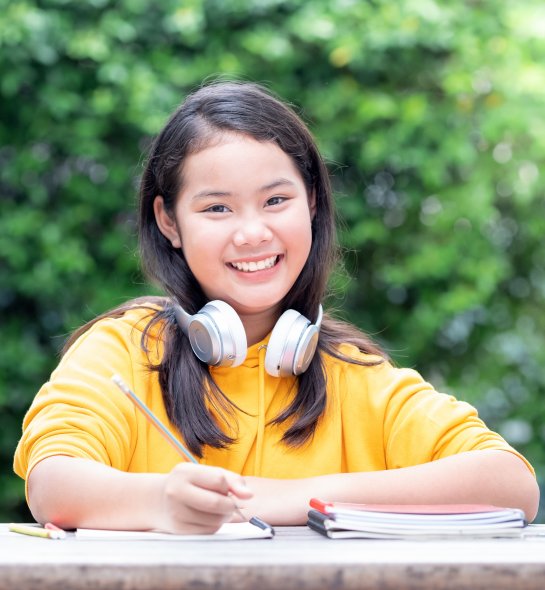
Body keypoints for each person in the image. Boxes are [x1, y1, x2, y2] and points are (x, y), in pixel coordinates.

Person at [14, 81, 539, 534]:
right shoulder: (122, 349)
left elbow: (510, 483)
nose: (252, 233)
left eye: (275, 201)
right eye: (217, 207)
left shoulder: (354, 375)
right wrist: (160, 503)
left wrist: (283, 497)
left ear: (311, 200)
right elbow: (52, 483)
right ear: (169, 221)